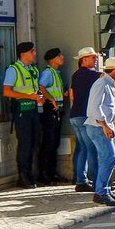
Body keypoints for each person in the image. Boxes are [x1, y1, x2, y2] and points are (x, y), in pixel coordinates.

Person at [85, 57, 115, 205]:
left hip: (101, 126)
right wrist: (105, 125)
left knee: (106, 159)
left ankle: (104, 190)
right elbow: (95, 107)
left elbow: (106, 107)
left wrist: (112, 123)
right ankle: (101, 192)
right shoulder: (102, 83)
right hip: (98, 127)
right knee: (110, 159)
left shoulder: (108, 83)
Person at [3, 42, 44, 188]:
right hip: (21, 110)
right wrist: (30, 97)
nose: (34, 53)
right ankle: (23, 176)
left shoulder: (33, 69)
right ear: (23, 54)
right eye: (32, 51)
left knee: (35, 142)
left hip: (33, 109)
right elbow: (7, 92)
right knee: (25, 143)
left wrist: (39, 97)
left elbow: (35, 89)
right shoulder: (14, 69)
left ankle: (32, 174)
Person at [68, 47, 101, 192]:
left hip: (75, 115)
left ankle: (81, 180)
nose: (95, 60)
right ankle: (95, 181)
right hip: (84, 116)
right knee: (91, 148)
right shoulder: (91, 74)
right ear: (84, 60)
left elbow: (72, 95)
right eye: (92, 57)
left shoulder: (75, 75)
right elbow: (107, 77)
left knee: (82, 148)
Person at [38, 47, 70, 184]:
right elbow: (41, 87)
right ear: (52, 59)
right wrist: (51, 99)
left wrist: (63, 95)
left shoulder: (56, 73)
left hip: (57, 110)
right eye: (59, 56)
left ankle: (52, 173)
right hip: (49, 110)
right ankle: (44, 174)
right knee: (49, 142)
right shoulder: (48, 73)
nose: (62, 57)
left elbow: (53, 89)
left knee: (54, 142)